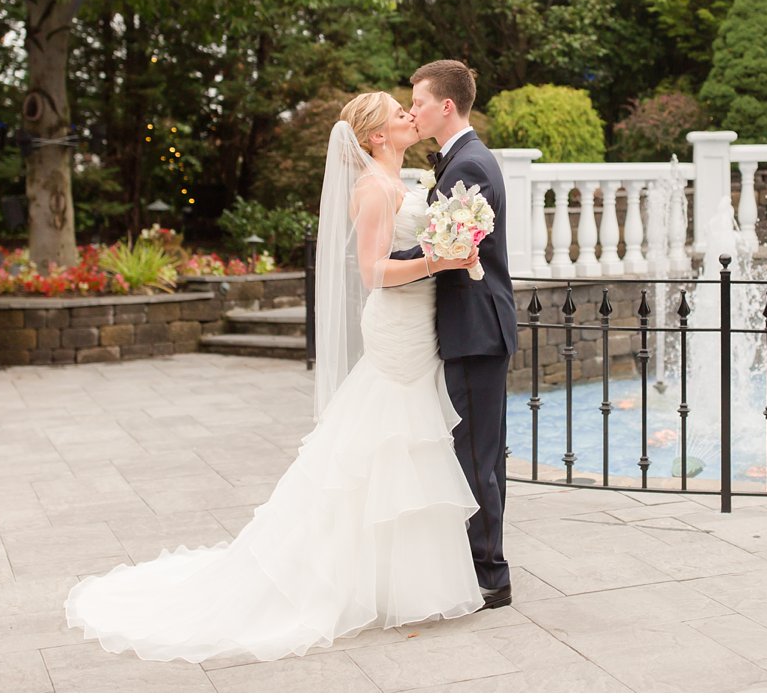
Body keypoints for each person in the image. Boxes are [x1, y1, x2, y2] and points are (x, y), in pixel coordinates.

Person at [64, 91, 486, 663]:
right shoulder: (375, 189)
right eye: (398, 113)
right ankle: (338, 575)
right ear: (376, 137)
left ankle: (394, 578)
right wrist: (442, 259)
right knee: (384, 437)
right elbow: (374, 273)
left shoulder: (406, 179)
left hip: (419, 323)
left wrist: (448, 247)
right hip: (396, 326)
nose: (411, 116)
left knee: (400, 441)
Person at [391, 60, 517, 609]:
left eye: (417, 102)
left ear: (446, 106)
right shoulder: (462, 161)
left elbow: (447, 251)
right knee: (478, 452)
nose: (412, 110)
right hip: (472, 327)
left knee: (476, 457)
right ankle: (483, 563)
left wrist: (383, 263)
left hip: (476, 329)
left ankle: (490, 573)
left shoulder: (471, 166)